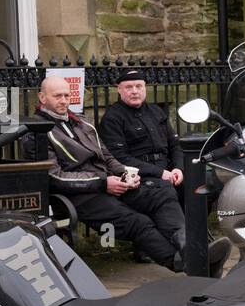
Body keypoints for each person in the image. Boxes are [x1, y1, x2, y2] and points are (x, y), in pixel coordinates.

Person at [32, 76, 186, 271]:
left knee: (161, 193)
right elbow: (54, 177)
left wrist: (125, 174)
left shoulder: (81, 123)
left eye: (66, 95)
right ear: (42, 98)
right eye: (57, 96)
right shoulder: (37, 131)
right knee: (138, 223)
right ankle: (182, 262)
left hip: (109, 183)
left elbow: (107, 155)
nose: (63, 100)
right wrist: (104, 182)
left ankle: (190, 248)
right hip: (81, 195)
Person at [100, 69, 183, 192]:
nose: (134, 91)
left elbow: (175, 144)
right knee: (166, 190)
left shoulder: (156, 111)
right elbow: (119, 157)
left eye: (138, 86)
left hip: (168, 168)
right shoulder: (112, 118)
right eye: (128, 87)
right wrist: (160, 173)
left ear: (145, 88)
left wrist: (178, 168)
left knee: (203, 183)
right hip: (140, 175)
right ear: (119, 90)